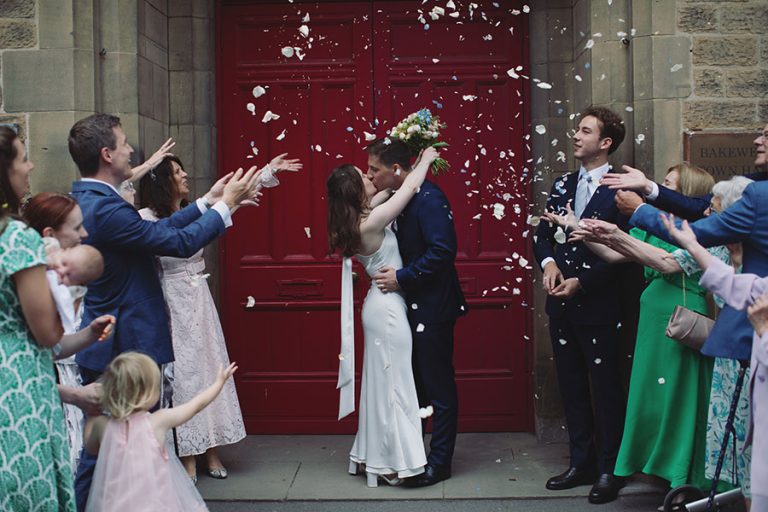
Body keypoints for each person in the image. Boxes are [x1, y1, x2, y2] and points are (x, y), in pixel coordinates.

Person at [67, 113, 265, 510]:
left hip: (121, 342)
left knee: (112, 450)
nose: (130, 150)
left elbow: (161, 230)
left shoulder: (96, 200)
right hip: (125, 345)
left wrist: (208, 202)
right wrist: (226, 206)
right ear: (107, 154)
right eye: (124, 143)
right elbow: (175, 243)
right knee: (117, 452)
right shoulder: (107, 208)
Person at [551, 164, 724, 494]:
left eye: (668, 186)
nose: (660, 190)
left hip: (681, 315)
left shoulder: (693, 232)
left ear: (685, 193)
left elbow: (664, 261)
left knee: (679, 397)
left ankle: (681, 475)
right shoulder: (656, 225)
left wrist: (613, 233)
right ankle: (660, 470)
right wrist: (580, 229)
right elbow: (618, 254)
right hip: (652, 318)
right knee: (653, 397)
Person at [136, 153, 297, 481]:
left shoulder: (193, 210)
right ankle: (188, 453)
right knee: (184, 377)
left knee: (210, 370)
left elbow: (229, 204)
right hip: (170, 303)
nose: (185, 175)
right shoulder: (146, 219)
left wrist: (267, 172)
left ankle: (211, 448)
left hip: (200, 300)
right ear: (162, 182)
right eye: (177, 172)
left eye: (183, 169)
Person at [327, 146, 439, 487]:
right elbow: (407, 189)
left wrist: (397, 169)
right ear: (355, 191)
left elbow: (391, 190)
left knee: (381, 386)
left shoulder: (361, 216)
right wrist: (426, 158)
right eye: (363, 175)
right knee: (396, 386)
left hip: (380, 307)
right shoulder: (371, 221)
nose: (369, 175)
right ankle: (391, 463)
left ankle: (372, 456)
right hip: (388, 311)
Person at [533, 106, 628, 504]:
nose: (575, 135)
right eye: (576, 129)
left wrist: (582, 283)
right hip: (561, 306)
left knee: (606, 389)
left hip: (601, 306)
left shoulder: (622, 189)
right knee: (571, 385)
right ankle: (581, 463)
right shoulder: (563, 184)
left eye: (585, 130)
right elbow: (543, 234)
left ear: (605, 142)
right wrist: (549, 264)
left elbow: (627, 252)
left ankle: (610, 469)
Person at [367, 137, 467, 488]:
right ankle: (413, 458)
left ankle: (439, 463)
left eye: (374, 169)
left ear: (396, 169)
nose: (370, 175)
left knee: (438, 387)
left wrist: (402, 277)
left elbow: (443, 251)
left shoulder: (430, 198)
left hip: (434, 307)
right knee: (415, 387)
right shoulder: (398, 196)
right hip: (405, 308)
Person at [626, 123, 768, 364]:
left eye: (766, 135)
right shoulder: (756, 187)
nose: (757, 140)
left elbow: (695, 234)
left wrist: (640, 209)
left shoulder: (759, 195)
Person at [657, 214, 768, 509]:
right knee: (748, 462)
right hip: (737, 369)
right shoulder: (727, 253)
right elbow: (731, 284)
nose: (712, 215)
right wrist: (692, 244)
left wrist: (762, 330)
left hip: (758, 369)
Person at [0, 125, 75, 510]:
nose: (30, 166)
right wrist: (65, 290)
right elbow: (47, 332)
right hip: (17, 379)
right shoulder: (16, 237)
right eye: (23, 158)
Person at [23, 192, 113, 473]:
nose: (84, 234)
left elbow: (51, 348)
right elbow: (25, 365)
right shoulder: (33, 285)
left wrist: (90, 334)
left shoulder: (66, 277)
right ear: (49, 235)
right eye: (76, 227)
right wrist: (74, 395)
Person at [83, 352, 237, 511]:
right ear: (147, 393)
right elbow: (195, 406)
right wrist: (219, 383)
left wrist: (92, 414)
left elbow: (90, 447)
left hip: (115, 505)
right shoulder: (157, 421)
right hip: (155, 504)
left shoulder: (103, 426)